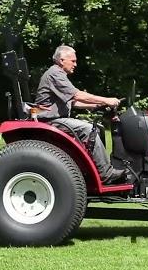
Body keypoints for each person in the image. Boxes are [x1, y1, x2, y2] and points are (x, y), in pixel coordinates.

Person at [34, 45, 127, 184]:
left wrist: (96, 105)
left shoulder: (57, 74)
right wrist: (106, 100)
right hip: (50, 121)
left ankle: (100, 168)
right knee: (89, 129)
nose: (75, 64)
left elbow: (71, 102)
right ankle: (105, 174)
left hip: (56, 119)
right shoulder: (55, 74)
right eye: (73, 61)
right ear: (61, 60)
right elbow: (77, 95)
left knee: (99, 128)